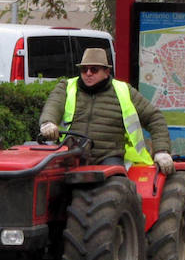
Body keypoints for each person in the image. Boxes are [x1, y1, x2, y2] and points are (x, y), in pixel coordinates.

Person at [40, 47, 173, 173]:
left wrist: (162, 151)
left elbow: (154, 118)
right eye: (84, 69)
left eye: (94, 69)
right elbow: (53, 106)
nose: (88, 73)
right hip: (70, 155)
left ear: (106, 72)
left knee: (116, 189)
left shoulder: (124, 91)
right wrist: (48, 123)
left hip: (108, 157)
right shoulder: (66, 87)